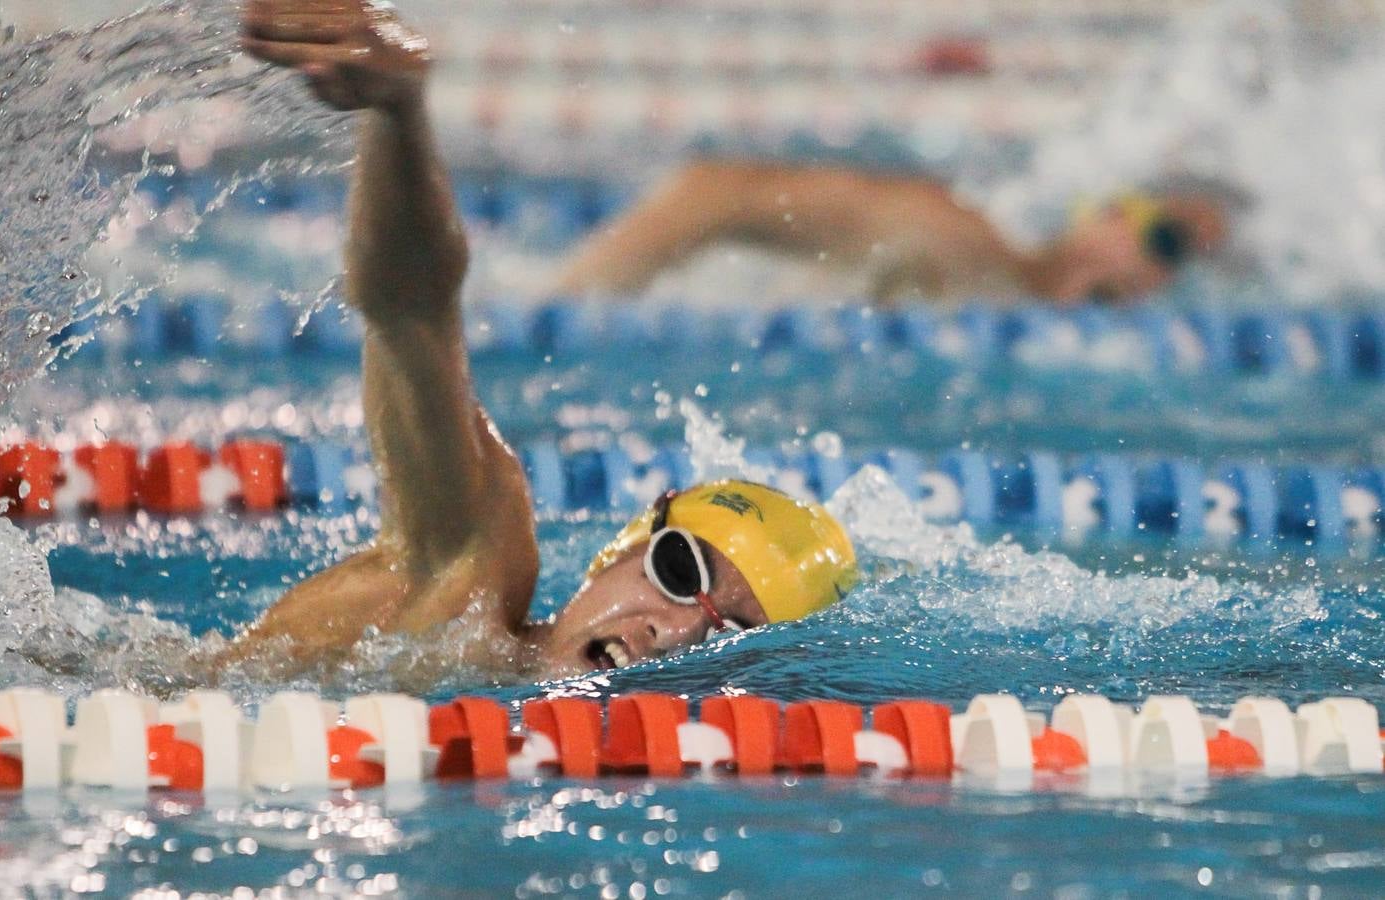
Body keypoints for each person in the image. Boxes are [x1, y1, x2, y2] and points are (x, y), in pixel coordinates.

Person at [232, 0, 857, 678]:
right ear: (621, 549)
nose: (671, 629)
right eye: (679, 570)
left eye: (729, 633)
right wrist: (399, 115)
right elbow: (410, 310)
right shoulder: (462, 594)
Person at [552, 159, 1229, 305]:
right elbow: (715, 191)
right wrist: (571, 298)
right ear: (1102, 216)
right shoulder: (952, 235)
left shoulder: (1001, 296)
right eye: (1166, 241)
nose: (1166, 273)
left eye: (1185, 262)